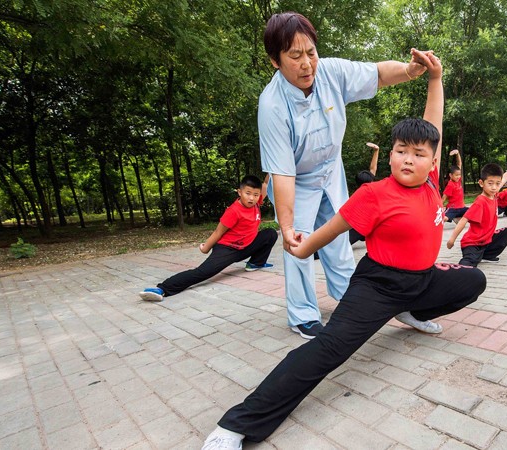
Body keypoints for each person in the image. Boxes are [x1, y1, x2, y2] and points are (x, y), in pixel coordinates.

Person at [202, 51, 487, 450]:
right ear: (390, 153)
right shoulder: (374, 194)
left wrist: (435, 79)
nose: (409, 158)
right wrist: (300, 249)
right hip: (378, 286)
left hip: (421, 282)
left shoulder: (431, 182)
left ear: (432, 160)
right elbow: (330, 230)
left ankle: (412, 312)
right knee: (329, 349)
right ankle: (236, 425)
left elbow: (432, 124)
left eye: (419, 153)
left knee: (474, 279)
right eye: (401, 150)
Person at [258, 12, 434, 339]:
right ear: (275, 61)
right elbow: (281, 174)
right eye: (294, 56)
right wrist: (285, 226)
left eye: (310, 52)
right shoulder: (272, 106)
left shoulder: (331, 71)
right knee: (299, 244)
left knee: (339, 239)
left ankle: (347, 297)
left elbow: (377, 74)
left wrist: (409, 71)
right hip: (295, 182)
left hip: (330, 172)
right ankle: (302, 314)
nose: (307, 64)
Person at [138, 175, 277, 302]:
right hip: (228, 249)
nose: (251, 198)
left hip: (246, 245)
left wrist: (273, 170)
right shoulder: (233, 211)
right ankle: (162, 289)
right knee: (202, 273)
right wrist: (206, 248)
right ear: (239, 192)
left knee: (270, 233)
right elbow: (218, 232)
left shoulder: (256, 202)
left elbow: (265, 183)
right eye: (248, 193)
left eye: (255, 194)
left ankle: (255, 263)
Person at [446, 153, 507, 267]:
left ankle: (486, 255)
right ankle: (458, 273)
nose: (494, 187)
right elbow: (464, 220)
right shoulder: (480, 201)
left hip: (486, 242)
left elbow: (505, 177)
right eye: (490, 183)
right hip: (472, 244)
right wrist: (451, 239)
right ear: (481, 183)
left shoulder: (493, 194)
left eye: (497, 184)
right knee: (469, 264)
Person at [348, 142, 380, 245]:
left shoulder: (362, 189)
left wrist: (376, 150)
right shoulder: (365, 194)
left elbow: (373, 168)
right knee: (343, 242)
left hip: (367, 227)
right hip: (360, 227)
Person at [442, 149, 468, 222]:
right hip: (452, 209)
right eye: (456, 175)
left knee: (474, 212)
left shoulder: (458, 180)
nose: (458, 176)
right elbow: (443, 198)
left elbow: (459, 164)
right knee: (445, 218)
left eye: (459, 175)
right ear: (450, 175)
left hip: (462, 208)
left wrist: (457, 153)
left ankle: (457, 218)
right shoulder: (450, 185)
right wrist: (439, 208)